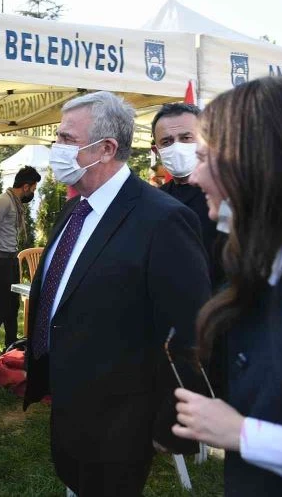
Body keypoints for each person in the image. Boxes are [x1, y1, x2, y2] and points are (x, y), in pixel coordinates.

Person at [22, 92, 211, 496]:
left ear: (106, 148)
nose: (56, 148)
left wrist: (173, 423)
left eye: (67, 138)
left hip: (122, 417)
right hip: (69, 399)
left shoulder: (163, 219)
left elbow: (188, 330)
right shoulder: (75, 209)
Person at [172, 77, 282, 495]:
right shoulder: (264, 268)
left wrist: (242, 434)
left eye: (204, 157)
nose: (194, 176)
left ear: (251, 162)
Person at [152, 102, 224, 290]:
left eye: (186, 138)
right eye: (166, 142)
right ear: (156, 151)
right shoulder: (153, 200)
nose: (177, 147)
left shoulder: (224, 195)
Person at [0, 165, 41, 353]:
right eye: (33, 188)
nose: (33, 193)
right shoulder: (2, 202)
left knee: (13, 305)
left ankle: (11, 346)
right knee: (1, 304)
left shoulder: (15, 203)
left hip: (11, 259)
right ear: (26, 186)